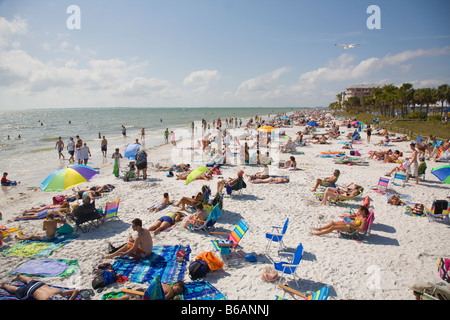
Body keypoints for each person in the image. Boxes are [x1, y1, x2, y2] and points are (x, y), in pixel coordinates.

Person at [1, 274, 79, 300]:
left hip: (39, 284)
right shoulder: (59, 293)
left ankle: (20, 276)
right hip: (31, 291)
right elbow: (76, 291)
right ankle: (4, 285)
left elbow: (75, 290)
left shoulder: (59, 292)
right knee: (16, 290)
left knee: (30, 281)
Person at [107, 281, 184, 300]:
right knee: (136, 297)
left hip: (143, 290)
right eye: (178, 289)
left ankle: (116, 299)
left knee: (133, 294)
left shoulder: (165, 284)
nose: (177, 292)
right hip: (147, 295)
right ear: (175, 285)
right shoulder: (170, 292)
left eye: (179, 291)